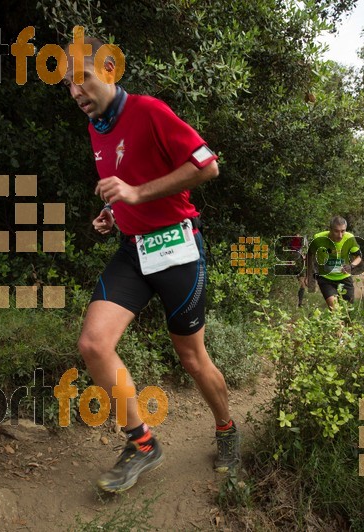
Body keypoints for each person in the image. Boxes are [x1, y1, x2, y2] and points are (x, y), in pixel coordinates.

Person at [63, 37, 240, 493]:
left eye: (81, 78)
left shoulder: (149, 110)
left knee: (192, 357)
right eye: (67, 84)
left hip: (179, 250)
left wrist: (138, 194)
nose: (76, 91)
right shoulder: (96, 127)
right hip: (134, 250)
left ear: (108, 69)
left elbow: (207, 165)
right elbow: (125, 185)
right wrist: (113, 214)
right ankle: (142, 443)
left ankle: (226, 429)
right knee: (94, 344)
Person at [309, 216, 362, 310]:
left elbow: (358, 257)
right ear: (330, 229)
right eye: (336, 231)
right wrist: (309, 275)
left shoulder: (349, 238)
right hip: (326, 279)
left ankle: (346, 324)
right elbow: (310, 255)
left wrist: (351, 266)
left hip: (344, 278)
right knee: (335, 309)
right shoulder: (318, 238)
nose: (340, 235)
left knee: (347, 311)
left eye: (343, 231)